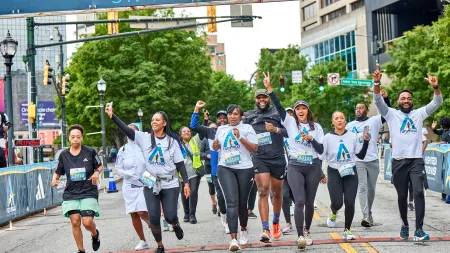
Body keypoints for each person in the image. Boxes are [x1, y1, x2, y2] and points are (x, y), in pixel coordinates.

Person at [105, 103, 191, 253]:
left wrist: (186, 184)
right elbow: (126, 129)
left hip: (169, 183)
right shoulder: (143, 138)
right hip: (151, 183)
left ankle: (175, 224)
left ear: (164, 123)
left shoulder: (172, 142)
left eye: (157, 120)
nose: (154, 122)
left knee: (170, 216)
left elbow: (180, 165)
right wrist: (112, 115)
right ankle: (160, 245)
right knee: (154, 216)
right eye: (152, 119)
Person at [373, 66, 442, 241]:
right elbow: (378, 100)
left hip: (416, 161)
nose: (406, 100)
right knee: (402, 196)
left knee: (418, 192)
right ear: (398, 101)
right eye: (403, 98)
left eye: (409, 98)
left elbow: (437, 103)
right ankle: (405, 223)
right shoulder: (391, 114)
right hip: (398, 162)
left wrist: (435, 87)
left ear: (412, 101)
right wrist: (377, 83)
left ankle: (419, 230)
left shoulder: (419, 114)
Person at [263, 72, 326, 248]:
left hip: (312, 166)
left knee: (309, 202)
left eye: (303, 108)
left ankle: (307, 230)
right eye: (298, 108)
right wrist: (270, 89)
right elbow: (279, 106)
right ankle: (300, 236)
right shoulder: (290, 123)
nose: (300, 111)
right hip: (295, 166)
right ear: (295, 112)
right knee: (298, 200)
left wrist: (311, 139)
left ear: (308, 111)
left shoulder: (317, 128)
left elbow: (321, 150)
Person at [243, 87, 288, 242]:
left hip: (277, 158)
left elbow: (290, 132)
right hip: (259, 158)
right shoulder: (249, 116)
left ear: (268, 98)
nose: (262, 100)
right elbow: (240, 132)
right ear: (255, 100)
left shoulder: (277, 113)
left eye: (264, 97)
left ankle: (275, 222)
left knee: (276, 193)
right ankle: (265, 229)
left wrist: (275, 129)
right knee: (262, 191)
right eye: (258, 98)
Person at [212, 104, 258, 251]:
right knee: (231, 202)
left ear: (240, 116)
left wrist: (241, 137)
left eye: (235, 114)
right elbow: (217, 147)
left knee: (242, 203)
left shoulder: (247, 128)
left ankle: (243, 229)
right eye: (230, 114)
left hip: (245, 168)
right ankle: (233, 239)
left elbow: (255, 148)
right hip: (226, 166)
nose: (232, 116)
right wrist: (215, 146)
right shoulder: (221, 129)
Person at [51, 124, 103, 253]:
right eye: (73, 137)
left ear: (82, 138)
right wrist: (55, 178)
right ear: (69, 138)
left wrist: (96, 173)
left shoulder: (90, 152)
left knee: (87, 222)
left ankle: (95, 234)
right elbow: (58, 171)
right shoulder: (64, 155)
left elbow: (100, 166)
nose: (75, 139)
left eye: (78, 137)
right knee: (75, 222)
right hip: (71, 192)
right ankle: (81, 250)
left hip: (88, 191)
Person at [345, 90, 391, 227]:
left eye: (361, 108)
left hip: (373, 160)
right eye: (356, 108)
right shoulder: (350, 126)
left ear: (366, 110)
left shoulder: (375, 121)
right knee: (363, 188)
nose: (358, 110)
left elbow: (387, 113)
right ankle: (365, 216)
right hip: (358, 161)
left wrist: (386, 99)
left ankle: (369, 212)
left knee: (371, 189)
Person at [322, 111, 370, 240]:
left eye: (342, 118)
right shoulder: (327, 138)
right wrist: (320, 172)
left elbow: (360, 156)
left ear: (345, 121)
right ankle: (333, 211)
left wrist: (366, 142)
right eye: (336, 118)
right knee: (337, 202)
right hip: (334, 171)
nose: (339, 120)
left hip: (350, 171)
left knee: (349, 202)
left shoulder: (353, 136)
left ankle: (347, 230)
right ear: (333, 122)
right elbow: (322, 156)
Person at [190, 103, 229, 233]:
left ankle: (234, 220)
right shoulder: (212, 132)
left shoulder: (234, 130)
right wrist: (197, 109)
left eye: (225, 117)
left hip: (233, 169)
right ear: (217, 120)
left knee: (233, 197)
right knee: (221, 197)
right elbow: (194, 126)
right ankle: (224, 216)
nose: (222, 119)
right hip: (217, 170)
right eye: (220, 118)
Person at [115, 123, 151, 251]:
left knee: (141, 211)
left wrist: (148, 178)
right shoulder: (123, 150)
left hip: (144, 184)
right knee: (134, 214)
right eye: (128, 131)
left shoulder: (145, 147)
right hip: (129, 185)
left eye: (133, 131)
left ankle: (152, 225)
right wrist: (127, 174)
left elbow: (151, 164)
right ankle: (143, 240)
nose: (130, 133)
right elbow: (118, 168)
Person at [179, 126, 203, 224]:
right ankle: (186, 213)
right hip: (181, 173)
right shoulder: (176, 144)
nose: (187, 132)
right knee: (184, 192)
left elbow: (200, 131)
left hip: (194, 172)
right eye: (184, 131)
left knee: (193, 191)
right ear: (180, 134)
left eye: (188, 131)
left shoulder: (195, 140)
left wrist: (205, 121)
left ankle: (192, 214)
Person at [199, 110, 218, 214]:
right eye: (211, 128)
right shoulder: (205, 140)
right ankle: (214, 203)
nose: (213, 130)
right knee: (211, 185)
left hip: (218, 166)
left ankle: (221, 204)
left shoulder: (219, 139)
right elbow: (199, 153)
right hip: (208, 166)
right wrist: (207, 155)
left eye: (215, 128)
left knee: (219, 185)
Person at [431, 117, 450, 202]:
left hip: (447, 159)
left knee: (446, 175)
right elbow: (436, 132)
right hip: (442, 158)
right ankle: (443, 195)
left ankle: (446, 196)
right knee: (442, 175)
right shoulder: (443, 131)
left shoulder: (449, 132)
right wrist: (433, 128)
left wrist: (444, 143)